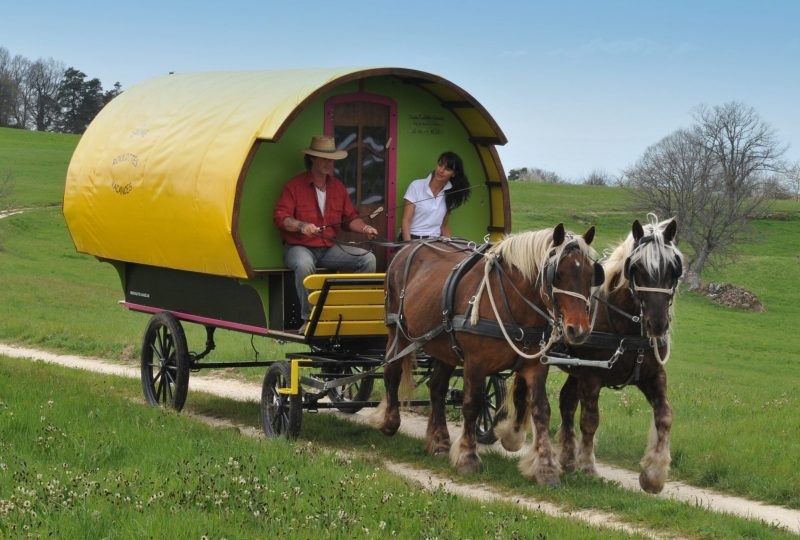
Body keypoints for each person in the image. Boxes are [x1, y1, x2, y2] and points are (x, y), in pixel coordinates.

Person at [274, 135, 378, 330]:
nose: (329, 163)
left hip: (328, 248)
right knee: (304, 264)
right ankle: (310, 318)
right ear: (312, 159)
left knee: (368, 259)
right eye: (324, 159)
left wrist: (365, 228)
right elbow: (281, 218)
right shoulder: (294, 186)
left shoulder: (337, 187)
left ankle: (350, 313)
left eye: (331, 159)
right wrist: (302, 226)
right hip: (299, 247)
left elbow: (350, 219)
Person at [400, 151, 470, 241]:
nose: (441, 170)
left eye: (447, 169)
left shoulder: (450, 194)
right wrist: (409, 247)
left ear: (453, 174)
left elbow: (444, 227)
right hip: (412, 240)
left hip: (435, 243)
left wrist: (451, 246)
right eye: (440, 165)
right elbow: (406, 221)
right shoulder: (416, 185)